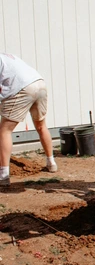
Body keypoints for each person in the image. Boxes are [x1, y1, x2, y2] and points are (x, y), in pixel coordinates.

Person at [0, 53, 57, 186]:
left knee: (4, 131)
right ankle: (51, 163)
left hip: (23, 87)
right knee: (41, 125)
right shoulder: (6, 57)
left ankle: (3, 175)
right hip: (39, 83)